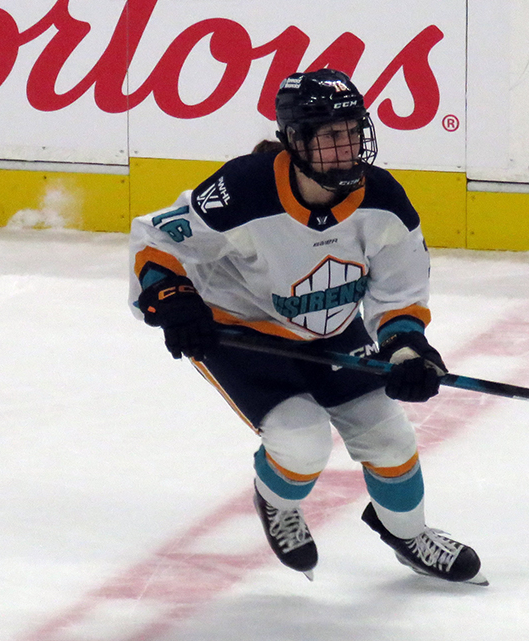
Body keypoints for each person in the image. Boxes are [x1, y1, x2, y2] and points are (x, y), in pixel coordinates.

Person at [128, 69, 485, 586]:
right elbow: (155, 239)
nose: (346, 148)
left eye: (352, 132)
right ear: (294, 141)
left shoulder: (383, 199)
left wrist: (408, 350)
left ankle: (406, 533)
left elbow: (398, 293)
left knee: (390, 439)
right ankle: (277, 503)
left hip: (331, 328)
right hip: (243, 331)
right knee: (301, 443)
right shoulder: (242, 191)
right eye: (329, 136)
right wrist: (174, 300)